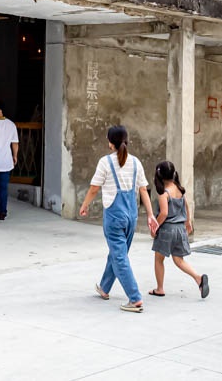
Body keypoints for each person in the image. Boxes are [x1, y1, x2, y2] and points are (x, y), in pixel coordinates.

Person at [78, 125, 158, 313]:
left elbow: (94, 189)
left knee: (119, 256)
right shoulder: (136, 162)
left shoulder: (105, 162)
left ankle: (135, 298)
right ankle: (105, 288)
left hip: (114, 217)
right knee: (117, 253)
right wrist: (151, 215)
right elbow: (143, 191)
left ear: (110, 142)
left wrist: (85, 205)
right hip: (131, 215)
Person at [148, 161, 209, 299]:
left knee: (159, 259)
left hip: (167, 230)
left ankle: (160, 288)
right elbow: (186, 205)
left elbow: (163, 213)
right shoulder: (179, 189)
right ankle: (198, 278)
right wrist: (188, 221)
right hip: (180, 229)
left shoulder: (164, 193)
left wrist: (154, 227)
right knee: (179, 260)